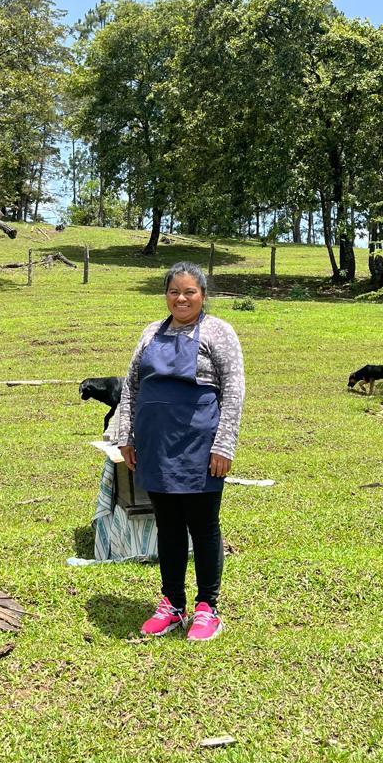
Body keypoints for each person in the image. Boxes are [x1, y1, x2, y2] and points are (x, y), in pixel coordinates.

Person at [117, 261, 245, 641]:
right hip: (155, 445)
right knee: (168, 526)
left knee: (203, 527)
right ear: (166, 295)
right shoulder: (150, 333)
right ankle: (172, 604)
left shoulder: (219, 333)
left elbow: (234, 391)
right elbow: (131, 388)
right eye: (174, 291)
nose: (181, 298)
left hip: (201, 446)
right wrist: (126, 436)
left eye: (190, 291)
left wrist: (223, 444)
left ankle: (208, 607)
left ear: (203, 295)